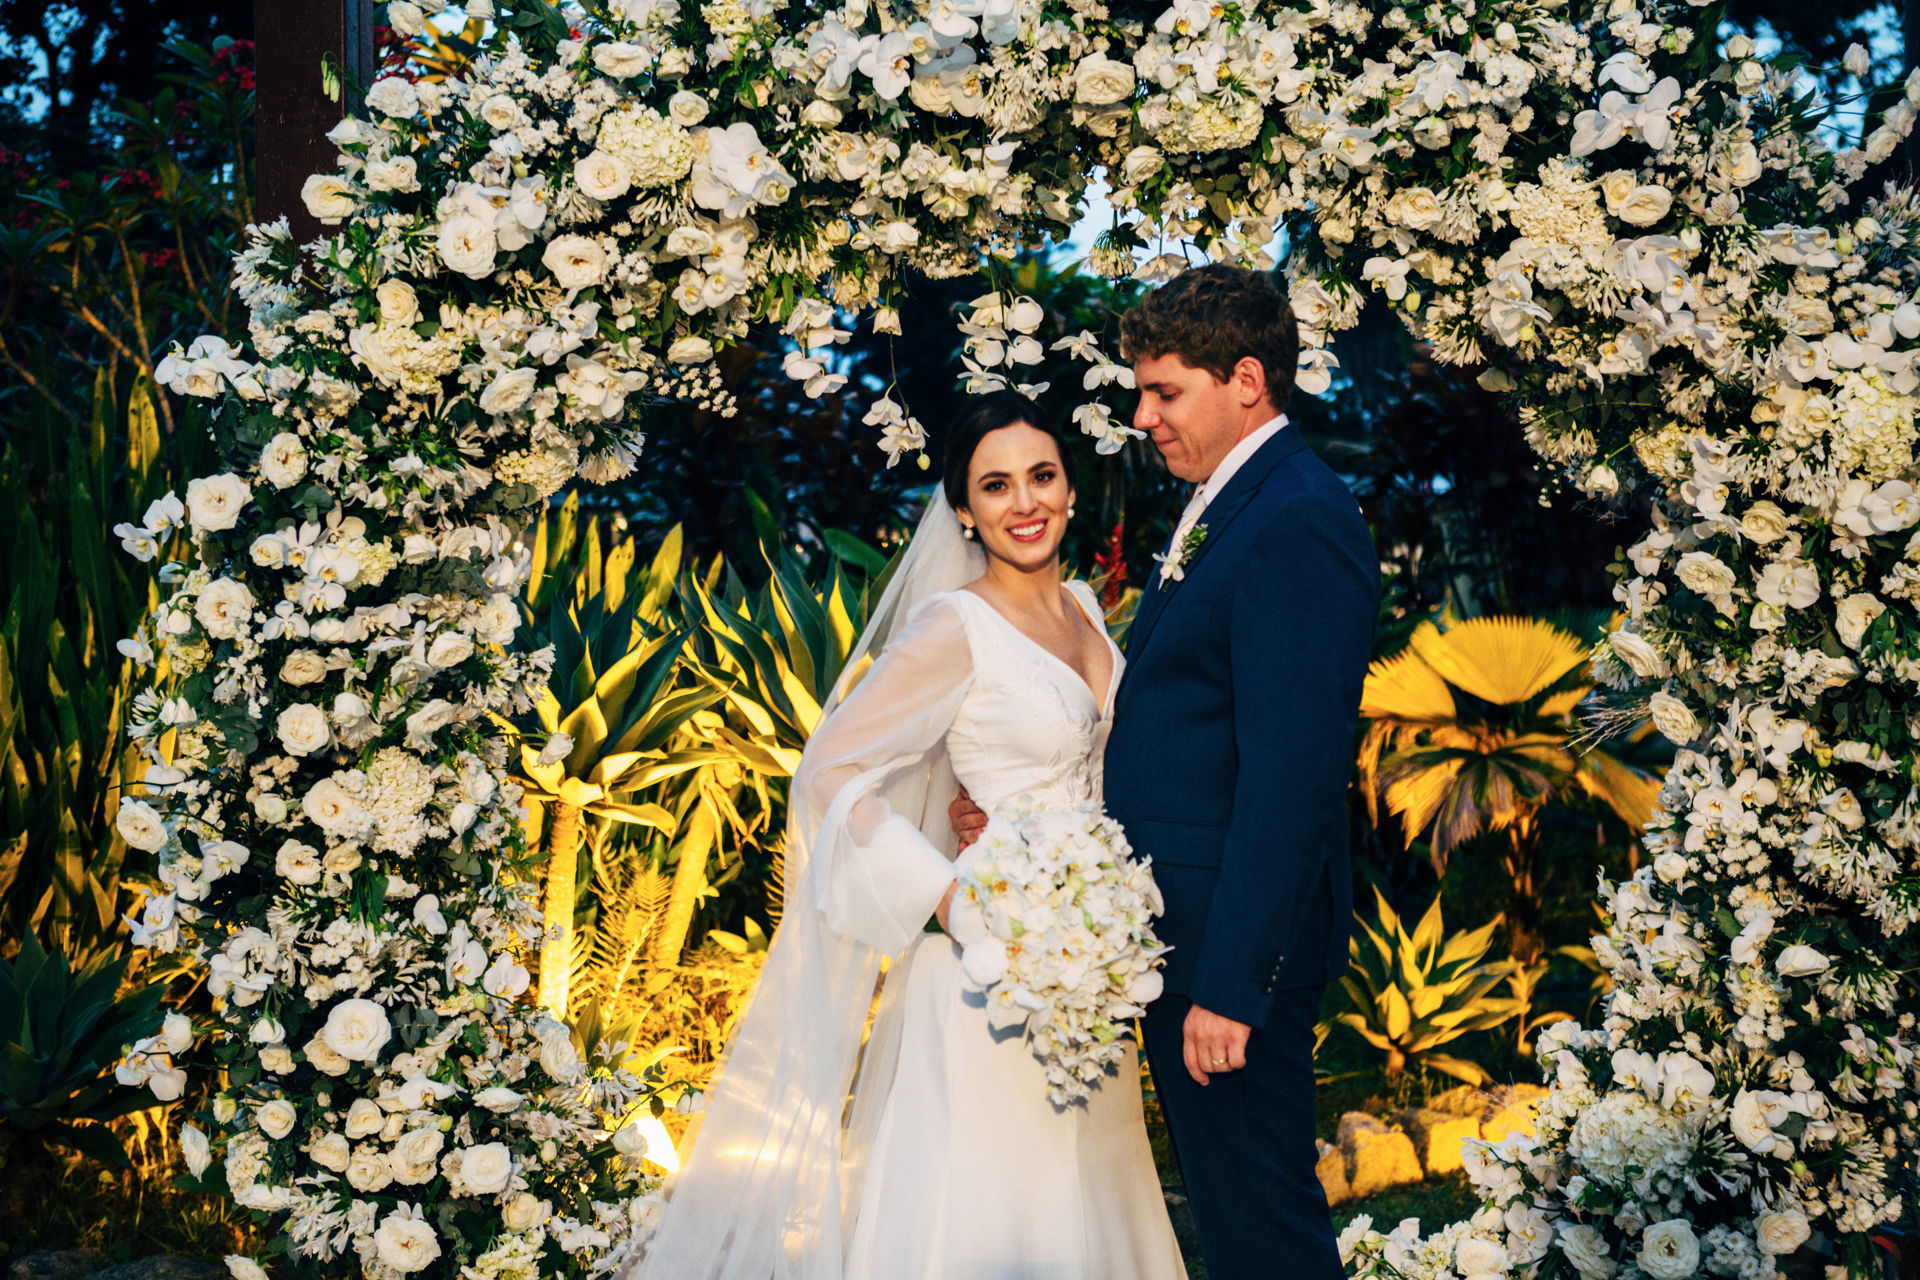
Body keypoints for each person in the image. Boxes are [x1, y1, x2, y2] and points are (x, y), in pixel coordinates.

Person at [628, 389, 1186, 1280]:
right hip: (987, 980)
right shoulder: (952, 625)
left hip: (1091, 972)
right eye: (995, 486)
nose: (1026, 502)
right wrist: (952, 897)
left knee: (1093, 1196)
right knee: (987, 1214)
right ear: (964, 510)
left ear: (1070, 488)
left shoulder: (1085, 607)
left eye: (1042, 476)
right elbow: (832, 769)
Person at [954, 264, 1379, 1280]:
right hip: (1180, 930)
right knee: (1236, 1221)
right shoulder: (1231, 499)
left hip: (1231, 950)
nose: (1142, 416)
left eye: (1163, 391)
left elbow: (1290, 777)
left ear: (1246, 379)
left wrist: (1232, 984)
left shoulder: (1295, 517)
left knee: (1263, 1223)